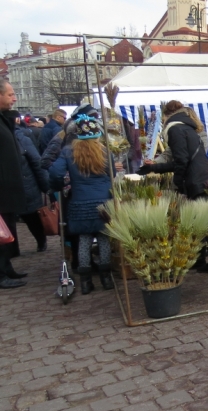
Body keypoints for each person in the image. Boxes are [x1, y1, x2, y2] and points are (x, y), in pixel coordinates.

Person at [138, 101, 208, 272]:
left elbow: (181, 161)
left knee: (203, 222)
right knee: (201, 221)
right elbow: (180, 159)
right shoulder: (187, 128)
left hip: (196, 181)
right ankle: (201, 260)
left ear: (166, 116)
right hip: (203, 178)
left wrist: (176, 183)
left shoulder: (175, 129)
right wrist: (154, 168)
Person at [49, 114, 114, 295]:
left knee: (84, 240)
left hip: (80, 202)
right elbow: (112, 175)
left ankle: (86, 283)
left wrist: (60, 186)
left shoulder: (69, 152)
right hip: (103, 201)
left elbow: (55, 173)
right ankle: (106, 279)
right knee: (104, 239)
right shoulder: (104, 151)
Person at [0, 81, 28, 289]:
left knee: (7, 231)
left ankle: (6, 267)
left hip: (8, 188)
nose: (14, 98)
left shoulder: (4, 119)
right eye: (10, 94)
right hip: (2, 188)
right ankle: (1, 274)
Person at [9, 111, 49, 253]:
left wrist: (46, 186)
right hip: (12, 186)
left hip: (27, 185)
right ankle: (13, 249)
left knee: (32, 217)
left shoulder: (22, 139)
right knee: (9, 220)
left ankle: (41, 240)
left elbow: (37, 162)